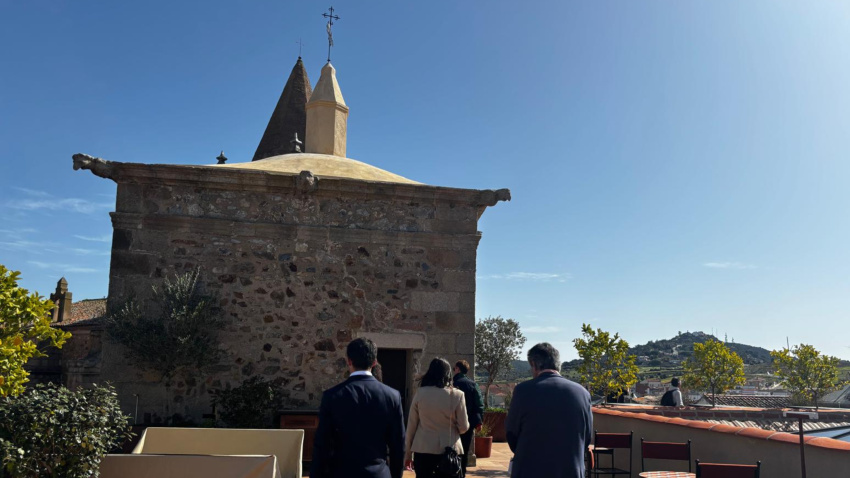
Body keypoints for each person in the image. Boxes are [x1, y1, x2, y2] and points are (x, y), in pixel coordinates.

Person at [310, 338, 406, 478]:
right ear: (374, 362)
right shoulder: (392, 396)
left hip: (341, 473)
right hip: (378, 473)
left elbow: (322, 444)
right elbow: (398, 445)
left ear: (349, 361)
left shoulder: (332, 396)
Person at [506, 343, 592, 478]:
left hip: (531, 470)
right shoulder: (582, 393)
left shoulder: (523, 390)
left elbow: (511, 434)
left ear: (534, 364)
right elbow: (586, 437)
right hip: (571, 471)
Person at [404, 358, 470, 477]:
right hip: (449, 450)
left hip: (423, 449)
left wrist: (408, 454)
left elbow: (411, 426)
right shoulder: (457, 395)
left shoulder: (420, 393)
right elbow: (464, 427)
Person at [452, 360, 484, 476]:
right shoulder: (473, 384)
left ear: (458, 369)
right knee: (464, 450)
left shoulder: (450, 383)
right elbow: (479, 404)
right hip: (467, 423)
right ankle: (462, 473)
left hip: (451, 422)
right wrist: (479, 421)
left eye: (454, 368)